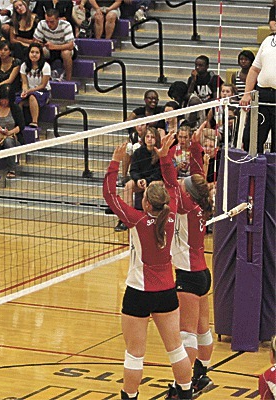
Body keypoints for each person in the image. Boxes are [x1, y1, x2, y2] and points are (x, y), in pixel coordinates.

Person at [103, 140, 192, 400]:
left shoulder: (137, 219)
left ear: (146, 203)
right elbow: (174, 185)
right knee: (176, 349)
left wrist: (115, 162)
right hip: (166, 291)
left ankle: (130, 396)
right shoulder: (172, 213)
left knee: (135, 353)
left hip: (139, 292)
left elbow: (110, 196)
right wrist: (165, 158)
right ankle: (186, 394)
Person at [159, 130, 215, 398]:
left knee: (187, 334)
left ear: (188, 195)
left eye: (184, 188)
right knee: (203, 327)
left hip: (189, 277)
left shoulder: (185, 207)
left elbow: (171, 183)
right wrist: (193, 146)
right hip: (203, 273)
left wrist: (164, 158)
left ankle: (184, 385)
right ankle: (202, 375)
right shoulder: (199, 206)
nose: (180, 187)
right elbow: (195, 178)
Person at [115, 126, 162, 232]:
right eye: (148, 136)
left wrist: (147, 180)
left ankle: (147, 219)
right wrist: (138, 180)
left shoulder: (159, 153)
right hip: (141, 181)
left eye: (152, 137)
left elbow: (159, 173)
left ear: (156, 139)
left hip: (156, 182)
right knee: (128, 185)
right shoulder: (139, 152)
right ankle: (127, 218)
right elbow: (133, 170)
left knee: (151, 186)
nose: (149, 139)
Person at [240, 31, 276, 154]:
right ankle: (253, 171)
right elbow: (254, 69)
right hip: (263, 95)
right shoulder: (267, 41)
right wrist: (247, 94)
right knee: (251, 139)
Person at [0, 84, 26, 179]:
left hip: (12, 137)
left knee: (8, 141)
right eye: (2, 99)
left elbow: (21, 126)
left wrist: (9, 133)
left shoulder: (15, 109)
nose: (3, 102)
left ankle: (12, 169)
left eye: (6, 99)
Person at [33, 8, 76, 81]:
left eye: (52, 22)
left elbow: (70, 45)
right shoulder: (41, 24)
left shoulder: (66, 25)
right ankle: (40, 77)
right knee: (37, 51)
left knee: (66, 53)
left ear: (58, 19)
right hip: (49, 48)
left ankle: (68, 79)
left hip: (63, 47)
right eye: (47, 21)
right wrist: (39, 44)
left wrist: (54, 47)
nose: (49, 24)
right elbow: (36, 41)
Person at [18, 42, 51, 128]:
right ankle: (19, 123)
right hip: (29, 90)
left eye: (37, 52)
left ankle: (34, 121)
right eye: (32, 52)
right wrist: (24, 91)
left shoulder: (45, 66)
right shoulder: (24, 66)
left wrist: (29, 91)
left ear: (41, 54)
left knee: (33, 96)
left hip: (42, 91)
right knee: (17, 100)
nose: (34, 55)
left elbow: (43, 85)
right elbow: (24, 83)